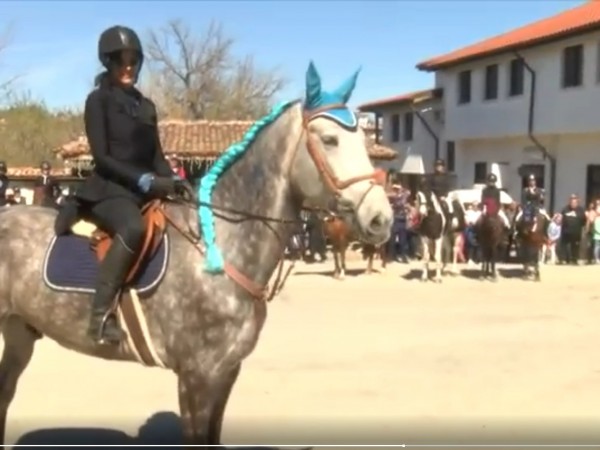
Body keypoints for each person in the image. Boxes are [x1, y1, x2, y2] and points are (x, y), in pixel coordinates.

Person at [75, 25, 190, 344]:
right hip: (109, 189)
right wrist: (142, 179)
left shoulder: (147, 107)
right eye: (120, 61)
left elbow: (157, 156)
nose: (127, 67)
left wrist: (175, 181)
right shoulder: (97, 101)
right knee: (133, 229)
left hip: (145, 188)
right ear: (108, 63)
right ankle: (99, 316)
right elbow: (102, 157)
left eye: (132, 61)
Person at [559, 194, 585, 265]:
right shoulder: (565, 209)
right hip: (566, 232)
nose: (573, 204)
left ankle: (574, 259)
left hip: (576, 232)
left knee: (575, 247)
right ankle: (563, 259)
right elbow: (561, 219)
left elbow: (583, 221)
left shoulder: (581, 210)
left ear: (577, 202)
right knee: (564, 246)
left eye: (574, 202)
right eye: (572, 202)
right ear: (569, 202)